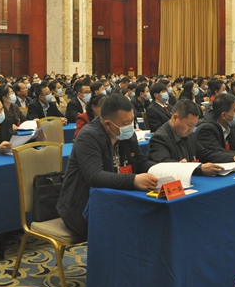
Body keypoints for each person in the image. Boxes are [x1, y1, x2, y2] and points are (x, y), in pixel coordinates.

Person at [56, 94, 158, 239]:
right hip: (85, 207)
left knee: (151, 219)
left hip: (119, 199)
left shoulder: (127, 134)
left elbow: (140, 162)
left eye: (132, 120)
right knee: (133, 227)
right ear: (108, 124)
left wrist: (162, 169)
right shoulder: (88, 136)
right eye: (126, 123)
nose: (130, 126)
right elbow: (95, 176)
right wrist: (134, 180)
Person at [147, 99, 223, 175]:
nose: (191, 129)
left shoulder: (190, 135)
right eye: (189, 125)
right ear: (175, 118)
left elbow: (204, 154)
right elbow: (166, 165)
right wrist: (199, 169)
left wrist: (230, 157)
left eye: (194, 125)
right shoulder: (159, 139)